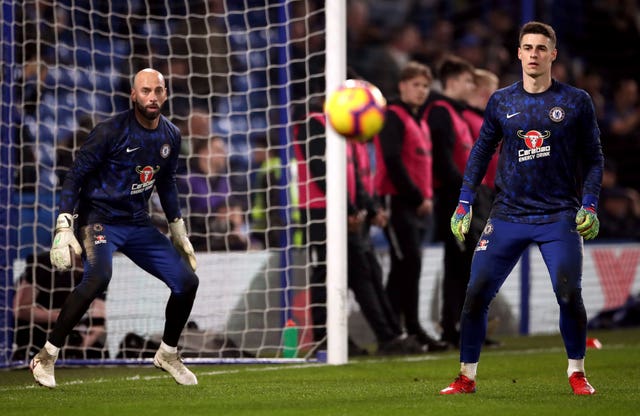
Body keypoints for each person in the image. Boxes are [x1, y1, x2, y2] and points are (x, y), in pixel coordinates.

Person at [440, 21, 603, 395]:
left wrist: (590, 205)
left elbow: (594, 158)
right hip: (507, 214)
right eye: (527, 47)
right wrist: (464, 202)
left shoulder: (576, 101)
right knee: (476, 294)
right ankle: (466, 377)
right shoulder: (501, 100)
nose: (534, 54)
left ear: (553, 55)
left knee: (567, 293)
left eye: (541, 48)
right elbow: (481, 151)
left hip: (559, 215)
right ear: (518, 53)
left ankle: (576, 372)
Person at [30, 68, 200, 388]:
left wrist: (178, 229)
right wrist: (64, 225)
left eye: (158, 91)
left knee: (187, 282)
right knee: (98, 277)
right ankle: (47, 356)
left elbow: (167, 182)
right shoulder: (109, 131)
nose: (152, 97)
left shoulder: (171, 135)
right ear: (133, 95)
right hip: (99, 218)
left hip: (137, 221)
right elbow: (75, 176)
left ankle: (168, 353)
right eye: (146, 91)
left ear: (165, 94)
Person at [374, 61, 448, 352]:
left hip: (416, 204)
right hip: (398, 201)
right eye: (415, 84)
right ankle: (406, 329)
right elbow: (392, 161)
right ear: (402, 86)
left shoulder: (417, 119)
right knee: (408, 264)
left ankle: (398, 331)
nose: (421, 91)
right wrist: (418, 197)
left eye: (425, 86)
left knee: (405, 266)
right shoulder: (393, 116)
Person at [422, 55, 479, 348]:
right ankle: (450, 326)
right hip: (450, 198)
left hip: (460, 197)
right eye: (468, 80)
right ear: (454, 82)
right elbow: (443, 161)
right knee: (458, 261)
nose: (472, 86)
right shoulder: (440, 112)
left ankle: (455, 325)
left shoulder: (455, 113)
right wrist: (466, 188)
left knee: (462, 262)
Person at [13, 251, 108, 361]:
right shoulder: (45, 264)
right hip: (35, 331)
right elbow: (21, 310)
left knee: (98, 353)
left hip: (68, 333)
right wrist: (60, 317)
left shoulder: (97, 273)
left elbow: (98, 321)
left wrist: (82, 345)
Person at [177, 135, 251, 251]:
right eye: (218, 150)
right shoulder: (187, 181)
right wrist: (218, 213)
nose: (224, 154)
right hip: (197, 237)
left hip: (223, 234)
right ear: (203, 153)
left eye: (224, 150)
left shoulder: (225, 180)